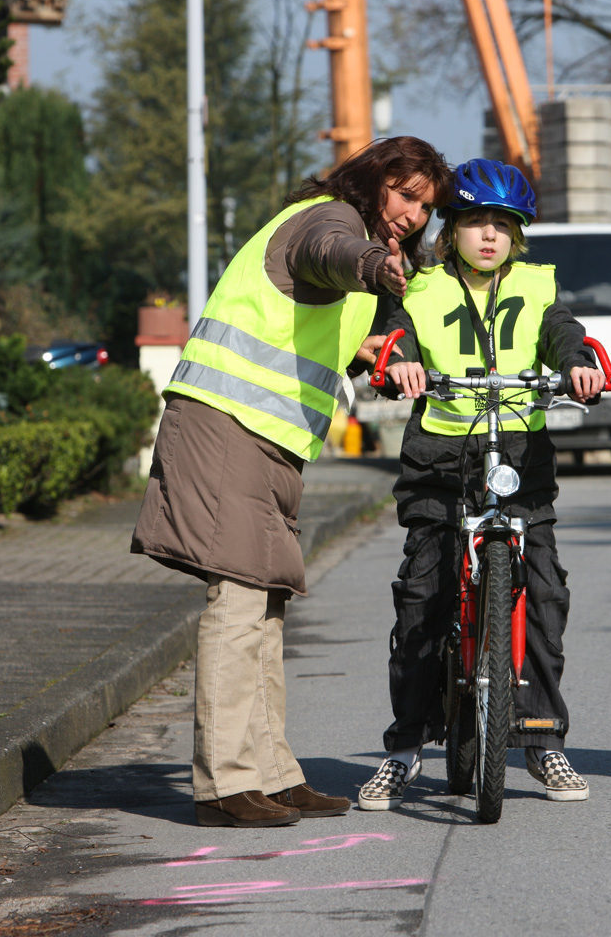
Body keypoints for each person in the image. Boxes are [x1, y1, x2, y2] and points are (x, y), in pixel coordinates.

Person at [131, 137, 454, 827]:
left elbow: (309, 322)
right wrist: (372, 264)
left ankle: (272, 772)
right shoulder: (329, 217)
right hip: (229, 426)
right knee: (239, 602)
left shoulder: (350, 237)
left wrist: (368, 350)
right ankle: (225, 782)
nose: (412, 216)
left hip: (269, 439)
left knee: (266, 607)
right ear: (372, 182)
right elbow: (328, 254)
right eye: (403, 195)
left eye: (425, 207)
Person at [357, 159, 606, 810]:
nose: (489, 235)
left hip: (520, 467)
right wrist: (400, 364)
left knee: (546, 598)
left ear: (517, 235)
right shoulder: (423, 288)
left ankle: (545, 740)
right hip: (440, 468)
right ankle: (406, 747)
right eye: (475, 222)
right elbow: (397, 342)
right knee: (420, 603)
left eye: (503, 224)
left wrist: (578, 365)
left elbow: (562, 334)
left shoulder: (536, 284)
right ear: (452, 230)